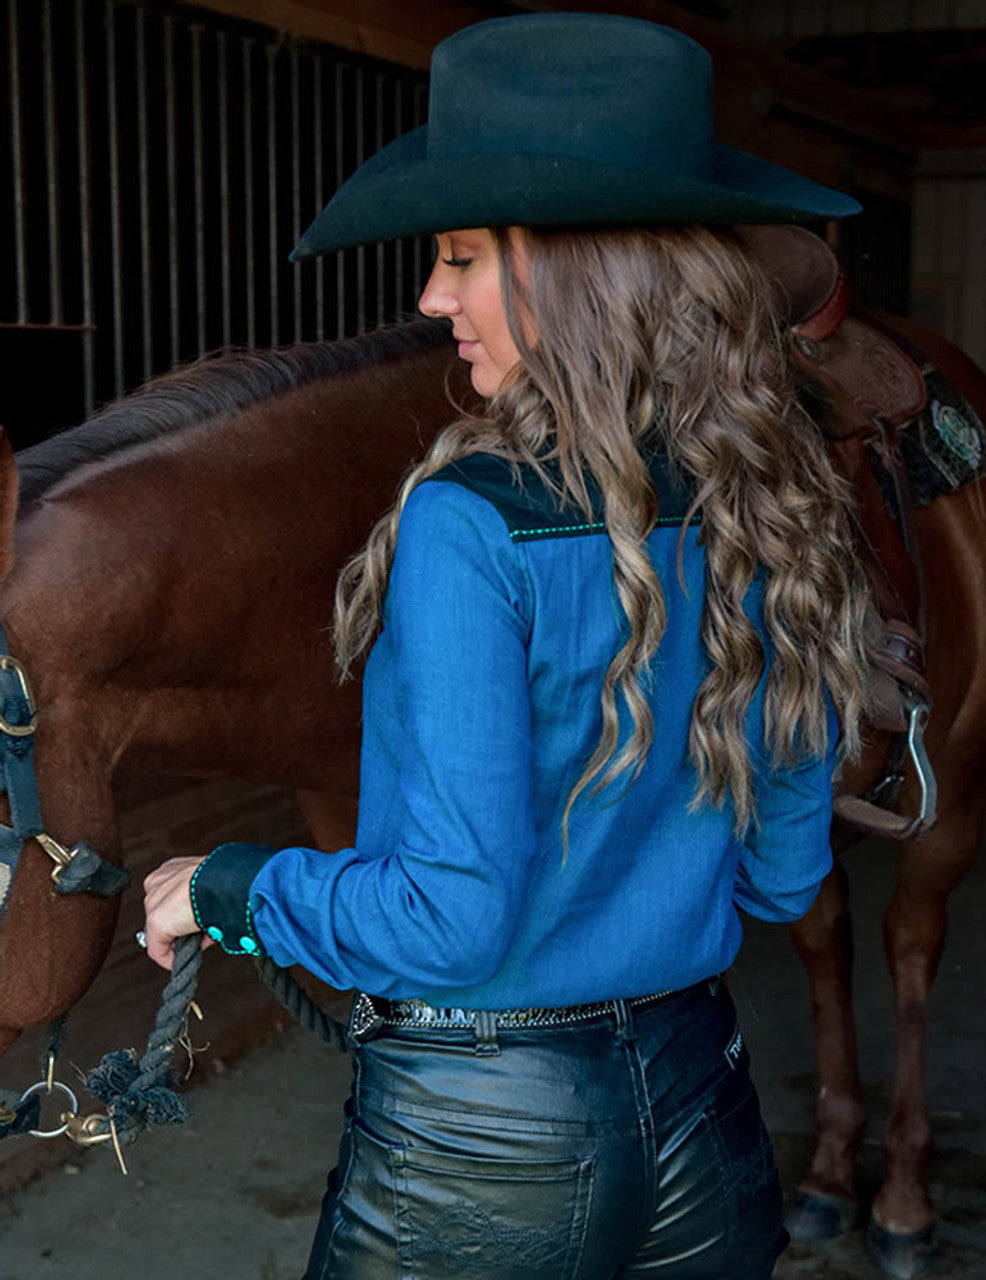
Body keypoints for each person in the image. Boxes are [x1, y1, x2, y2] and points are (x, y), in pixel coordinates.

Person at [143, 13, 871, 1278]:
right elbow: (780, 880)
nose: (431, 298)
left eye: (462, 257)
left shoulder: (465, 524)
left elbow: (450, 923)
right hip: (703, 1122)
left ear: (574, 272)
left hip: (477, 1154)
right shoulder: (768, 502)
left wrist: (228, 884)